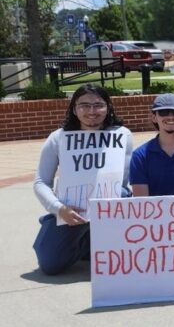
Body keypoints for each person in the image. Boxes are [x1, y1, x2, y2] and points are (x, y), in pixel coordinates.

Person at [32, 84, 134, 275]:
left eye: (98, 105)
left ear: (108, 107)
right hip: (70, 210)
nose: (92, 111)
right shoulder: (58, 138)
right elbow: (41, 182)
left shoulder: (123, 136)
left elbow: (123, 182)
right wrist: (58, 209)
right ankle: (54, 224)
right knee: (51, 265)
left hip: (106, 210)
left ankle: (90, 240)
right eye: (84, 105)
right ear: (74, 108)